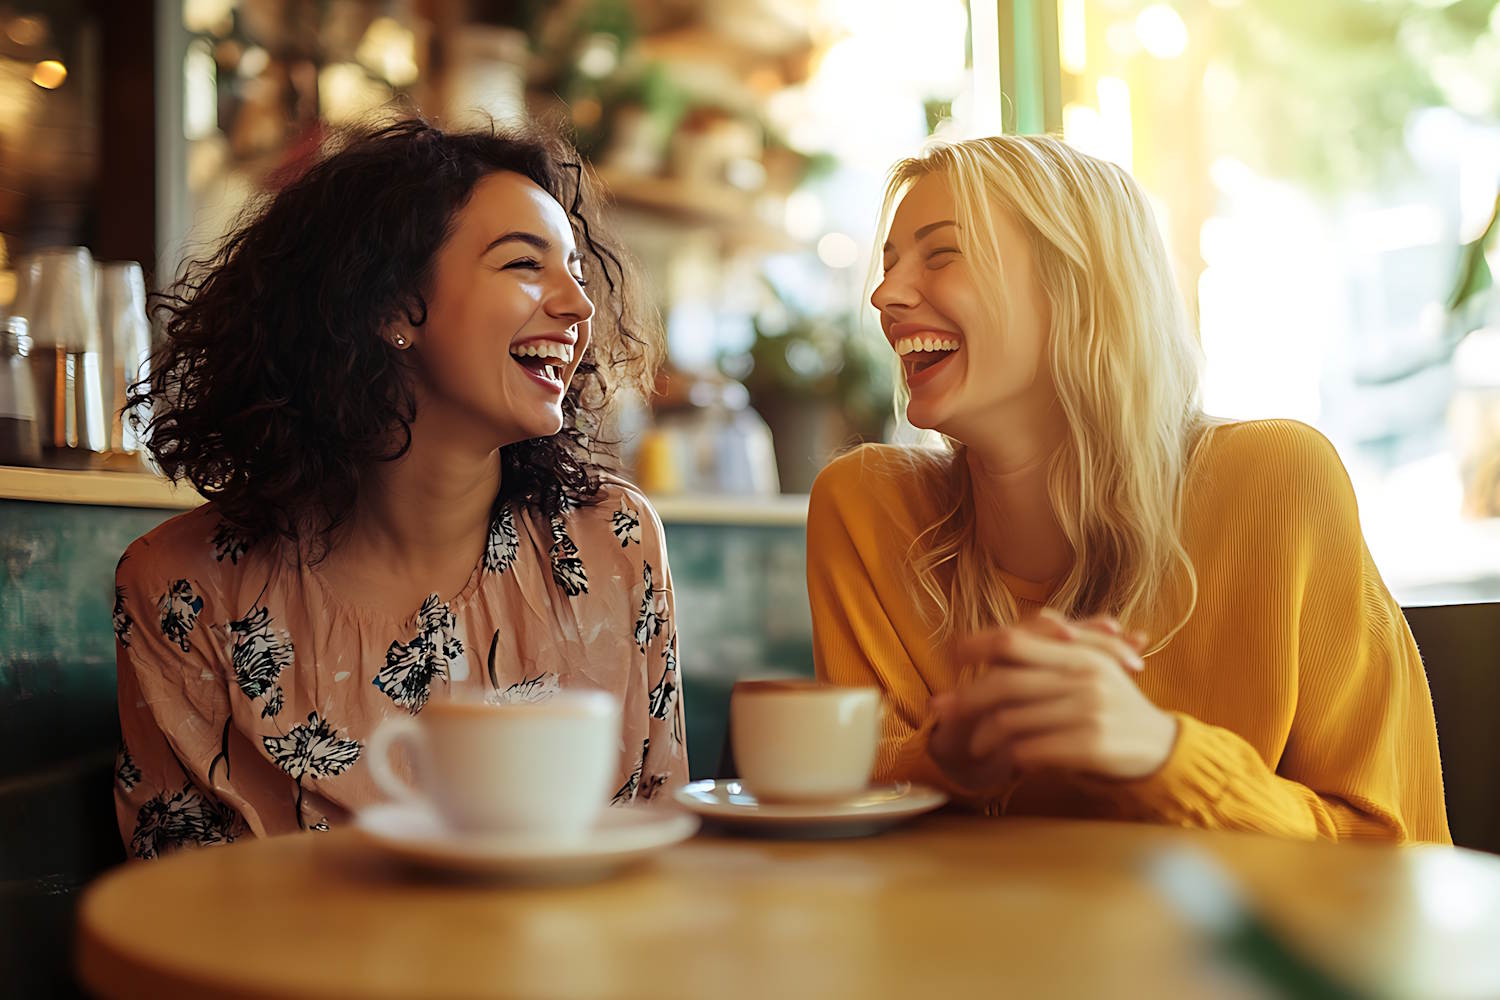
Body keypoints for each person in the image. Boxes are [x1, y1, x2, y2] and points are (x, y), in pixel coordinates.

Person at [807, 135, 1448, 842]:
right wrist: (948, 763)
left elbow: (1389, 854)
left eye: (942, 255)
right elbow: (855, 825)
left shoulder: (1278, 479)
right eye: (890, 264)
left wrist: (1161, 755)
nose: (885, 295)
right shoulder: (866, 509)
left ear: (1075, 285)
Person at [113, 118, 686, 859]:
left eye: (576, 271)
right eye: (524, 264)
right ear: (386, 306)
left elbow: (664, 845)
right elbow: (179, 900)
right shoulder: (182, 588)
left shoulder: (615, 544)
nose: (580, 307)